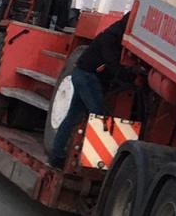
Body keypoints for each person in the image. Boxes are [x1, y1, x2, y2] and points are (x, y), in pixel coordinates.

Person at [47, 15, 130, 167]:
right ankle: (95, 160)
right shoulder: (111, 39)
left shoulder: (109, 35)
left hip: (81, 73)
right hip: (87, 77)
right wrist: (129, 77)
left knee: (73, 116)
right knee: (98, 115)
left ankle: (57, 155)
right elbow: (112, 63)